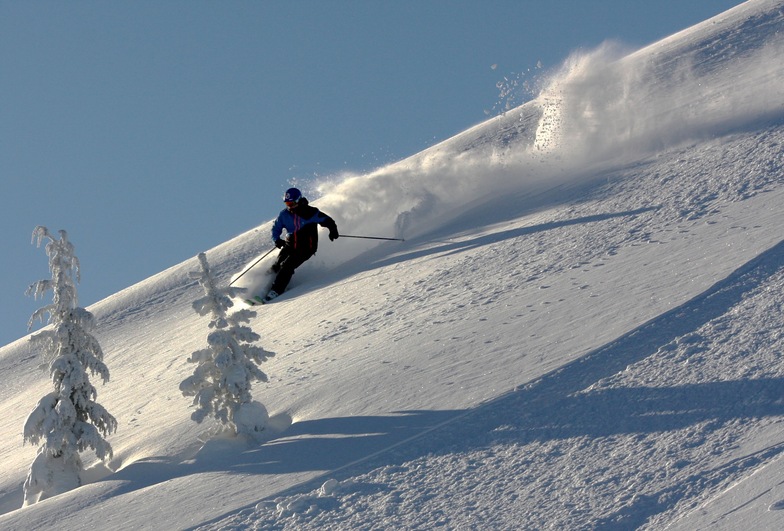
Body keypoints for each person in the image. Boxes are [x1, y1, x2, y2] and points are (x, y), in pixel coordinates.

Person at [264, 187, 339, 302]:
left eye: (292, 203)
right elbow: (276, 228)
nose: (290, 206)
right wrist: (277, 239)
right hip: (290, 245)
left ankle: (276, 291)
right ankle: (264, 289)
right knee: (276, 266)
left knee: (287, 266)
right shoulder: (284, 214)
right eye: (287, 203)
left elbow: (328, 220)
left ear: (298, 200)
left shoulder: (310, 212)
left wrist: (333, 230)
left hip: (306, 248)